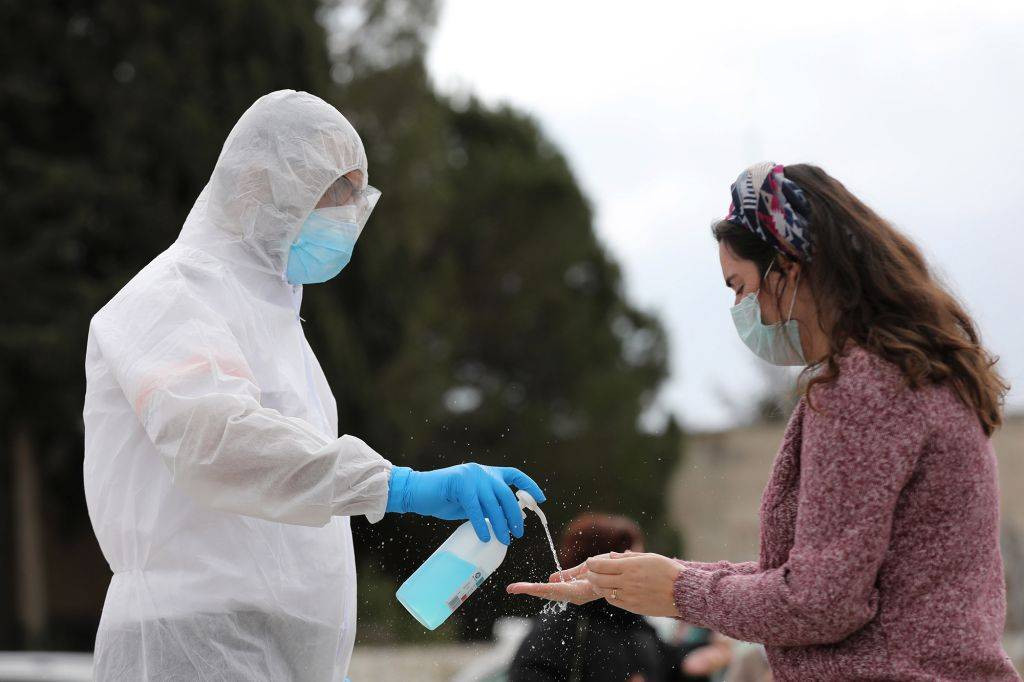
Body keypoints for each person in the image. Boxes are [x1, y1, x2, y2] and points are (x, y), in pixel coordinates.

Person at [83, 90, 545, 681]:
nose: (348, 216)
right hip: (196, 644)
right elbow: (219, 445)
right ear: (256, 184)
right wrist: (398, 486)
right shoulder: (167, 298)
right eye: (333, 194)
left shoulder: (280, 329)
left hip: (282, 652)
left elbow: (293, 504)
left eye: (357, 197)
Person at [509, 162, 1021, 680]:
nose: (740, 308)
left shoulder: (866, 389)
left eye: (739, 286)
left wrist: (678, 590)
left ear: (789, 268)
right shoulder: (905, 376)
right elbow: (812, 581)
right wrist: (648, 578)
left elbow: (819, 602)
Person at [509, 513, 729, 682]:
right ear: (601, 562)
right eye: (634, 561)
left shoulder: (634, 623)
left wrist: (696, 660)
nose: (645, 571)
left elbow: (668, 663)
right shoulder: (562, 629)